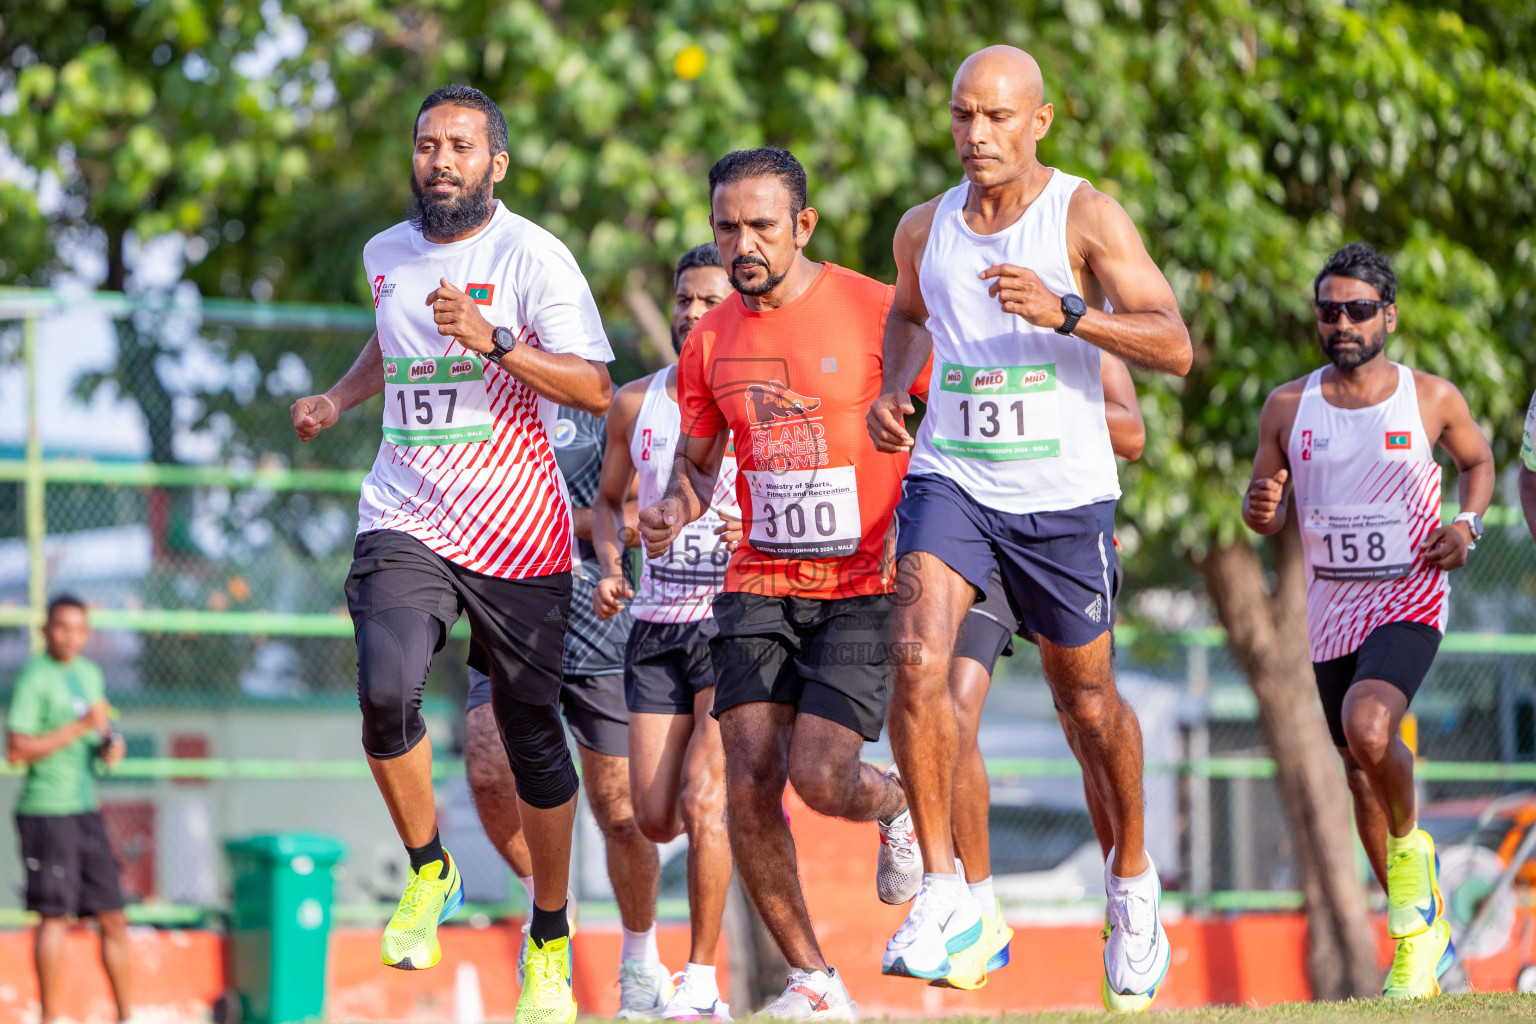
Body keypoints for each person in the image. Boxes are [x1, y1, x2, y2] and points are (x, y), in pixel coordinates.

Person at [866, 45, 1192, 1009]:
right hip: (955, 482)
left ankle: (1131, 881)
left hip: (1062, 502)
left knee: (1086, 706)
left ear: (1040, 121)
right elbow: (908, 314)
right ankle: (945, 892)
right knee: (918, 663)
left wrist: (1070, 313)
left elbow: (1173, 341)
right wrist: (893, 386)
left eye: (998, 118)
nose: (977, 136)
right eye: (964, 117)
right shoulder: (923, 227)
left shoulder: (1082, 215)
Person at [290, 84, 613, 1024]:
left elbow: (596, 386)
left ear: (495, 165)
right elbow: (390, 346)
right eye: (428, 143)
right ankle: (431, 872)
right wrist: (338, 401)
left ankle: (548, 933)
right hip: (407, 510)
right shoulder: (383, 254)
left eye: (461, 146)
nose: (440, 160)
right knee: (386, 689)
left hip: (516, 524)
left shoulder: (532, 255)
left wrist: (497, 340)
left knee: (527, 732)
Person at [639, 147, 922, 1021]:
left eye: (763, 225)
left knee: (821, 778)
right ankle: (813, 978)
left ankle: (897, 803)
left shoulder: (882, 312)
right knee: (748, 773)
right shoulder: (710, 342)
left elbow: (942, 419)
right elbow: (696, 464)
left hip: (863, 581)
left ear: (802, 227)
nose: (743, 242)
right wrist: (671, 506)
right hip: (757, 577)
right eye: (727, 226)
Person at [1243, 241, 1493, 999]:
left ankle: (1414, 870)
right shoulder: (1289, 406)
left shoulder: (1429, 399)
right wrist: (1261, 508)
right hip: (1331, 611)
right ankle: (1419, 936)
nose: (1342, 323)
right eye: (1329, 312)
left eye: (1357, 310)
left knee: (1371, 728)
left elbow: (1478, 463)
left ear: (1389, 315)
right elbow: (1264, 502)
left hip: (1411, 596)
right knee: (1357, 772)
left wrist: (1468, 527)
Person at [939, 354, 1144, 990]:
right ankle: (978, 910)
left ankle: (1129, 888)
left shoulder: (1078, 324)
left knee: (1085, 720)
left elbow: (1132, 434)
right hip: (981, 537)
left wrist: (1039, 413)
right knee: (952, 703)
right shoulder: (956, 320)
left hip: (1061, 532)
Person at [461, 402, 667, 1018]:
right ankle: (546, 911)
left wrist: (555, 519)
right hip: (510, 627)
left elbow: (640, 517)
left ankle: (640, 960)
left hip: (599, 633)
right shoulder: (481, 401)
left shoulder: (607, 404)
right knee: (488, 771)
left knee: (620, 810)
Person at [591, 242, 738, 1021]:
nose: (691, 313)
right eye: (684, 299)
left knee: (704, 797)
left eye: (709, 300)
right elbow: (606, 505)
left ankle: (702, 982)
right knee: (653, 817)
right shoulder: (633, 403)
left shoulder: (760, 398)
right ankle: (746, 801)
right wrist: (611, 567)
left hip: (734, 619)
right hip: (655, 625)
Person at [6, 595, 133, 1024]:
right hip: (46, 811)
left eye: (79, 629)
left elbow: (99, 734)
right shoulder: (34, 678)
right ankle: (50, 1017)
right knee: (54, 918)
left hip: (84, 809)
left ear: (87, 633)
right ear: (45, 630)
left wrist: (109, 748)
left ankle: (124, 1015)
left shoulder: (89, 674)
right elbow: (17, 750)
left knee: (114, 917)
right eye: (61, 627)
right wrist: (80, 726)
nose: (70, 636)